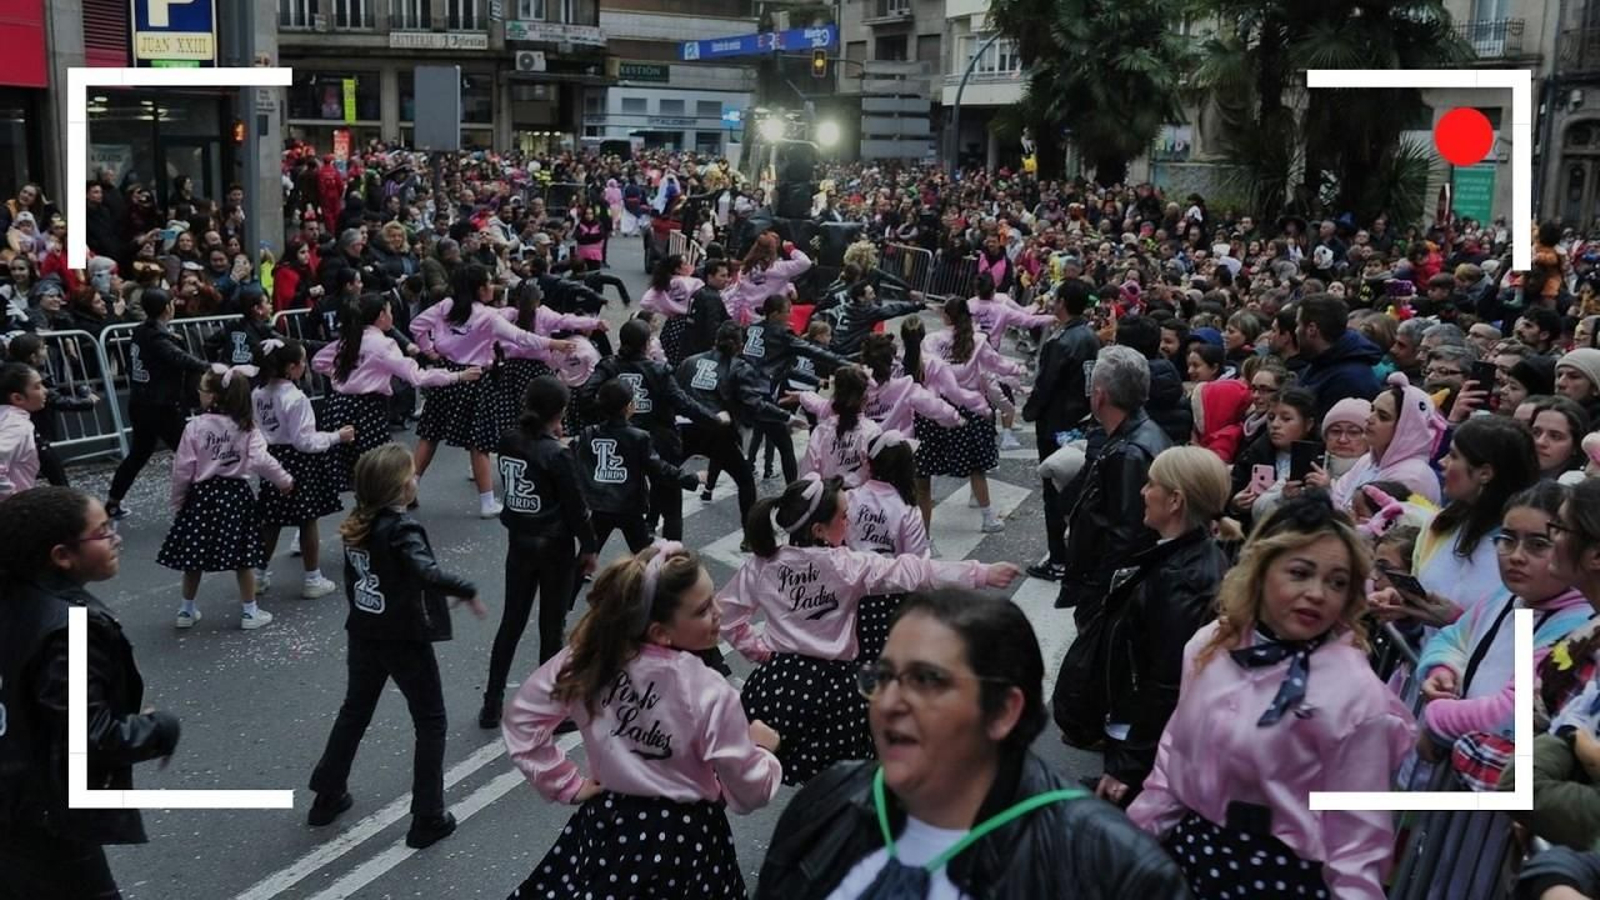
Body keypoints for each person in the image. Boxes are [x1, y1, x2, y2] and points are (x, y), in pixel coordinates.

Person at [756, 589, 1189, 899]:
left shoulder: (1112, 867)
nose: (887, 703)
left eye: (926, 680)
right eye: (882, 677)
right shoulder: (830, 797)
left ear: (1002, 711)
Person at [1127, 496, 1417, 899]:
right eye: (1300, 573)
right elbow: (1175, 756)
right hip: (1189, 857)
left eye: (1337, 582)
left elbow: (1358, 836)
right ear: (1261, 572)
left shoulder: (1355, 691)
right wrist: (1134, 840)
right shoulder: (1211, 645)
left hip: (1282, 881)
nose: (1317, 593)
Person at [502, 544, 782, 899]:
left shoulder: (590, 656)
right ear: (661, 632)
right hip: (686, 840)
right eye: (702, 610)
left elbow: (523, 719)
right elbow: (748, 792)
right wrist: (761, 750)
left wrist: (564, 784)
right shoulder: (706, 688)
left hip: (609, 824)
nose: (718, 612)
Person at [721, 474, 1020, 785]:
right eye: (844, 517)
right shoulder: (847, 566)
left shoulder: (763, 565)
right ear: (819, 530)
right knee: (839, 779)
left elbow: (727, 616)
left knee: (780, 768)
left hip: (782, 685)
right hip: (834, 689)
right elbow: (916, 571)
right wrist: (980, 573)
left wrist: (759, 652)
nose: (849, 523)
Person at [0, 487, 181, 899]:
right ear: (62, 555)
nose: (116, 538)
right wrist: (158, 727)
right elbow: (90, 736)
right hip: (43, 817)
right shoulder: (69, 629)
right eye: (102, 532)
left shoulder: (12, 599)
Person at [306, 443, 483, 848]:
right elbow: (424, 571)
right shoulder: (401, 528)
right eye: (410, 474)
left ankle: (327, 795)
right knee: (431, 720)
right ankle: (428, 815)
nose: (415, 479)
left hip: (365, 630)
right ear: (399, 487)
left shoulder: (358, 523)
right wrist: (465, 588)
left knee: (355, 710)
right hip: (402, 636)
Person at [1057, 446, 1230, 805]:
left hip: (1137, 737)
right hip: (1133, 729)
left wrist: (1128, 765)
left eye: (1152, 484)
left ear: (1175, 501)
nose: (1143, 492)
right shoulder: (1180, 557)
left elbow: (1165, 682)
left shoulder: (1183, 579)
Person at [1413, 482, 1590, 789]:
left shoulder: (1576, 625)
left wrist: (1437, 719)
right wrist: (1443, 669)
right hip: (1457, 783)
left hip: (1495, 802)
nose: (1516, 556)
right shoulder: (1505, 597)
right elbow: (1455, 637)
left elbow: (1512, 711)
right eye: (1507, 539)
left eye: (1538, 544)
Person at [479, 376, 599, 730]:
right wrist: (589, 546)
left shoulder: (510, 439)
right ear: (559, 411)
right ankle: (551, 709)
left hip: (519, 539)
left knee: (511, 623)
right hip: (554, 545)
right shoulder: (556, 453)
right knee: (552, 626)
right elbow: (576, 507)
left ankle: (491, 702)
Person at [409, 264, 570, 518]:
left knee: (430, 434)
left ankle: (409, 488)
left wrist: (428, 348)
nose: (492, 286)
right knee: (479, 441)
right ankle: (486, 502)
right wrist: (553, 343)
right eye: (488, 282)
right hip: (474, 377)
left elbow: (417, 325)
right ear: (479, 288)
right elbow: (521, 337)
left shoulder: (446, 306)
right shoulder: (487, 316)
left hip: (446, 375)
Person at [158, 365, 294, 631]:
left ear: (214, 397)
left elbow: (183, 469)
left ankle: (186, 610)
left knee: (193, 556)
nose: (199, 393)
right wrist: (284, 480)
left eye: (203, 389)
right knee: (243, 557)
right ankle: (249, 611)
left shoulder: (195, 426)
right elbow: (261, 460)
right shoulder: (246, 427)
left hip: (201, 496)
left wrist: (178, 501)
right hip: (235, 495)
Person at [1373, 416, 1540, 628]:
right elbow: (1421, 619)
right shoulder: (1438, 526)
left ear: (1485, 473)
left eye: (1453, 456)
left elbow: (1523, 654)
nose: (1442, 463)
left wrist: (1458, 624)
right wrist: (1403, 609)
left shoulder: (1529, 556)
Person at [312, 293, 477, 492]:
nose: (392, 316)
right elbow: (416, 376)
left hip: (338, 407)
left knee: (357, 470)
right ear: (381, 315)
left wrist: (343, 375)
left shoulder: (348, 340)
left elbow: (318, 362)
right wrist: (456, 377)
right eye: (390, 311)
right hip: (367, 409)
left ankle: (386, 505)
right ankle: (390, 506)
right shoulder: (383, 345)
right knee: (382, 468)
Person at [1058, 345, 1171, 613]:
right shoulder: (1141, 435)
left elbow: (1126, 534)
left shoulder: (1129, 453)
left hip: (1110, 592)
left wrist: (1097, 595)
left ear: (1099, 396)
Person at [104, 288, 221, 520]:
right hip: (160, 405)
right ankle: (203, 503)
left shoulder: (140, 331)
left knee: (140, 453)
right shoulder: (157, 337)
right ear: (168, 308)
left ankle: (113, 502)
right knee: (190, 453)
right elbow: (178, 358)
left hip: (141, 402)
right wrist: (210, 367)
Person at [253, 338, 354, 600]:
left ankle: (259, 576)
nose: (305, 366)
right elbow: (304, 440)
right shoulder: (296, 398)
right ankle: (312, 578)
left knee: (271, 520)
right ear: (292, 367)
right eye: (302, 362)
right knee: (307, 519)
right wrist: (335, 437)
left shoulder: (259, 393)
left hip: (272, 457)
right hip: (299, 461)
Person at [923, 298, 1026, 534]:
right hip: (972, 407)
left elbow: (926, 371)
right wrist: (1018, 370)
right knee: (977, 465)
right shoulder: (978, 340)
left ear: (946, 316)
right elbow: (997, 364)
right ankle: (988, 517)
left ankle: (925, 521)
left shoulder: (931, 341)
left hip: (941, 406)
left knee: (933, 464)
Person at [1023, 280, 1101, 581]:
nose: (1051, 302)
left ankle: (1058, 558)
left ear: (1064, 302)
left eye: (1055, 298)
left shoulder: (1062, 341)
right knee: (1074, 487)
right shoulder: (1091, 337)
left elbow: (1045, 384)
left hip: (1055, 423)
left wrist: (1031, 411)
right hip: (1080, 421)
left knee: (1053, 488)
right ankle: (1072, 553)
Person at [676, 321, 791, 524]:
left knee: (664, 473)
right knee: (745, 481)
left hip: (686, 427)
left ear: (715, 340)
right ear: (740, 345)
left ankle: (650, 520)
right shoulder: (739, 367)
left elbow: (675, 394)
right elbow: (755, 404)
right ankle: (749, 534)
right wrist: (786, 416)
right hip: (719, 432)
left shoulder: (689, 361)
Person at [1319, 373, 1446, 510]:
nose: (1369, 419)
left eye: (1383, 416)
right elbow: (1338, 501)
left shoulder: (1413, 477)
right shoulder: (1366, 461)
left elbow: (1370, 526)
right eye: (1372, 410)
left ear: (1406, 429)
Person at [1295, 292, 1382, 420]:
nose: (1296, 330)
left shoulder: (1351, 381)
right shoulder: (1322, 360)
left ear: (1312, 329)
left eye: (1298, 324)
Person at [800, 366, 882, 488]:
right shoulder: (873, 431)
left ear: (835, 397)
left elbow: (808, 474)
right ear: (865, 398)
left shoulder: (822, 431)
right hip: (862, 500)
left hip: (829, 500)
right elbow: (879, 475)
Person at [0, 362, 44, 501]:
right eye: (37, 386)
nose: (45, 390)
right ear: (17, 398)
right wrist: (12, 498)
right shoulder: (17, 425)